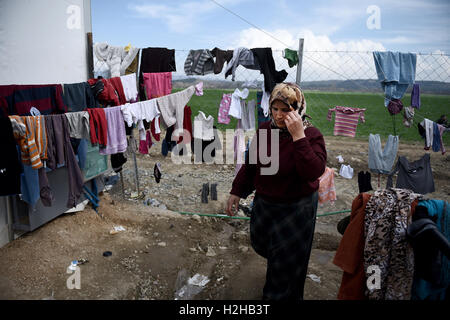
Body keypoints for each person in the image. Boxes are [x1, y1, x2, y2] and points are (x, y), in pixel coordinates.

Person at [226, 82, 327, 300]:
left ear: (298, 109)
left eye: (286, 110)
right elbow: (252, 165)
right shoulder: (265, 131)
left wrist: (298, 136)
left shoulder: (311, 135)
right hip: (266, 205)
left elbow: (313, 171)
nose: (279, 116)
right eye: (275, 109)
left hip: (296, 209)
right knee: (267, 249)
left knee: (285, 266)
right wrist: (237, 191)